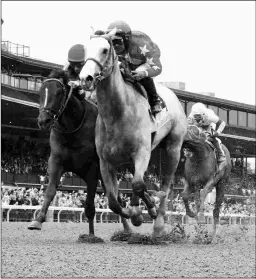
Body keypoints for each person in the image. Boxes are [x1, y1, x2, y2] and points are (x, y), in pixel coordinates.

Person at [106, 20, 163, 114]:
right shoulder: (113, 47)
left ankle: (155, 101)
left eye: (117, 41)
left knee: (138, 71)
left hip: (145, 60)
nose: (114, 46)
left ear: (126, 38)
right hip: (129, 59)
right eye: (112, 41)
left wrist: (144, 73)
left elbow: (158, 68)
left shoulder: (142, 44)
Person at [187, 102, 227, 168]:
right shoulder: (191, 116)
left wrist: (217, 132)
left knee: (210, 138)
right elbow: (188, 127)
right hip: (199, 126)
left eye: (198, 116)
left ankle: (221, 155)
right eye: (195, 116)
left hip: (209, 125)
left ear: (203, 114)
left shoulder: (209, 116)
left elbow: (222, 123)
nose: (197, 118)